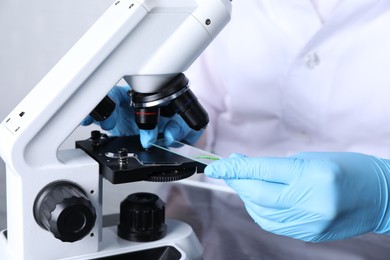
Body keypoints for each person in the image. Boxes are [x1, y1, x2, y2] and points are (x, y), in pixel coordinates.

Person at [83, 0, 390, 257]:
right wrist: (169, 131)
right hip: (220, 218)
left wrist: (383, 199)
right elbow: (207, 116)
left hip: (373, 241)